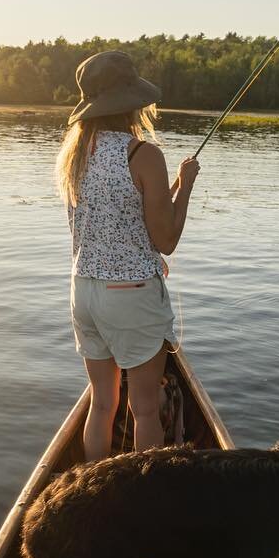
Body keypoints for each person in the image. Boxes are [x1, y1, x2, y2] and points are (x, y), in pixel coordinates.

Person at [55, 50, 200, 462]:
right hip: (131, 295)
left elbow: (116, 214)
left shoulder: (74, 156)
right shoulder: (144, 155)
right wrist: (185, 185)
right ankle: (143, 500)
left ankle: (93, 489)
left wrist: (165, 190)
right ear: (132, 102)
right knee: (146, 410)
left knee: (103, 404)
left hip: (83, 291)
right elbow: (165, 239)